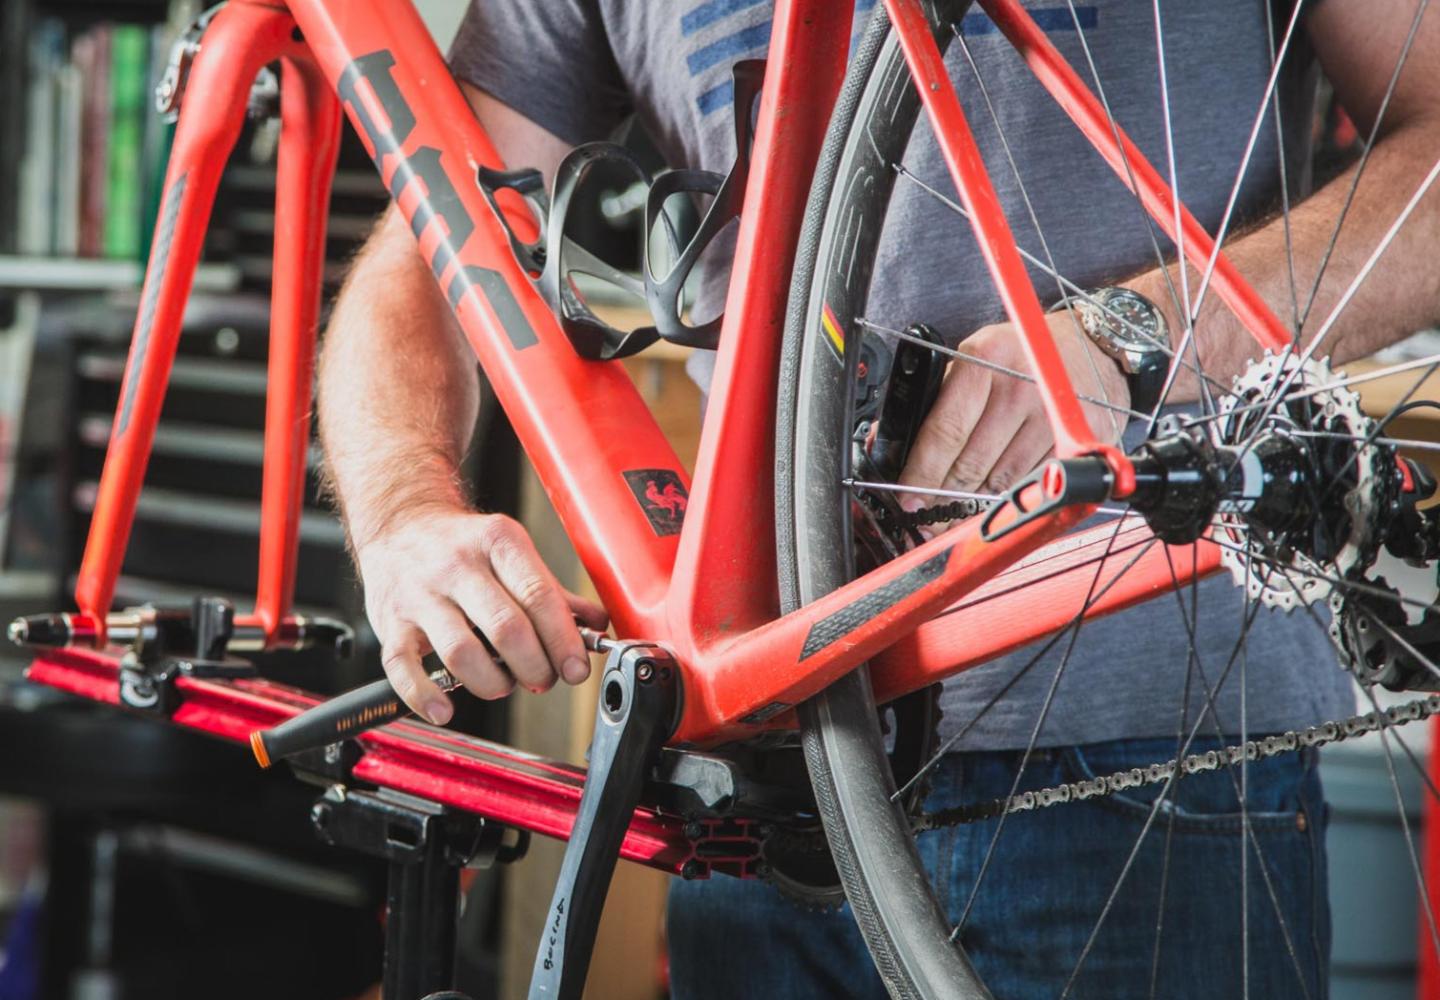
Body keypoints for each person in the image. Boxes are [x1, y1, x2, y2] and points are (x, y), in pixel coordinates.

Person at [316, 1, 1440, 996]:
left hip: (1149, 765)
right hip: (775, 769)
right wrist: (408, 505)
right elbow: (435, 248)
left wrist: (1131, 337)